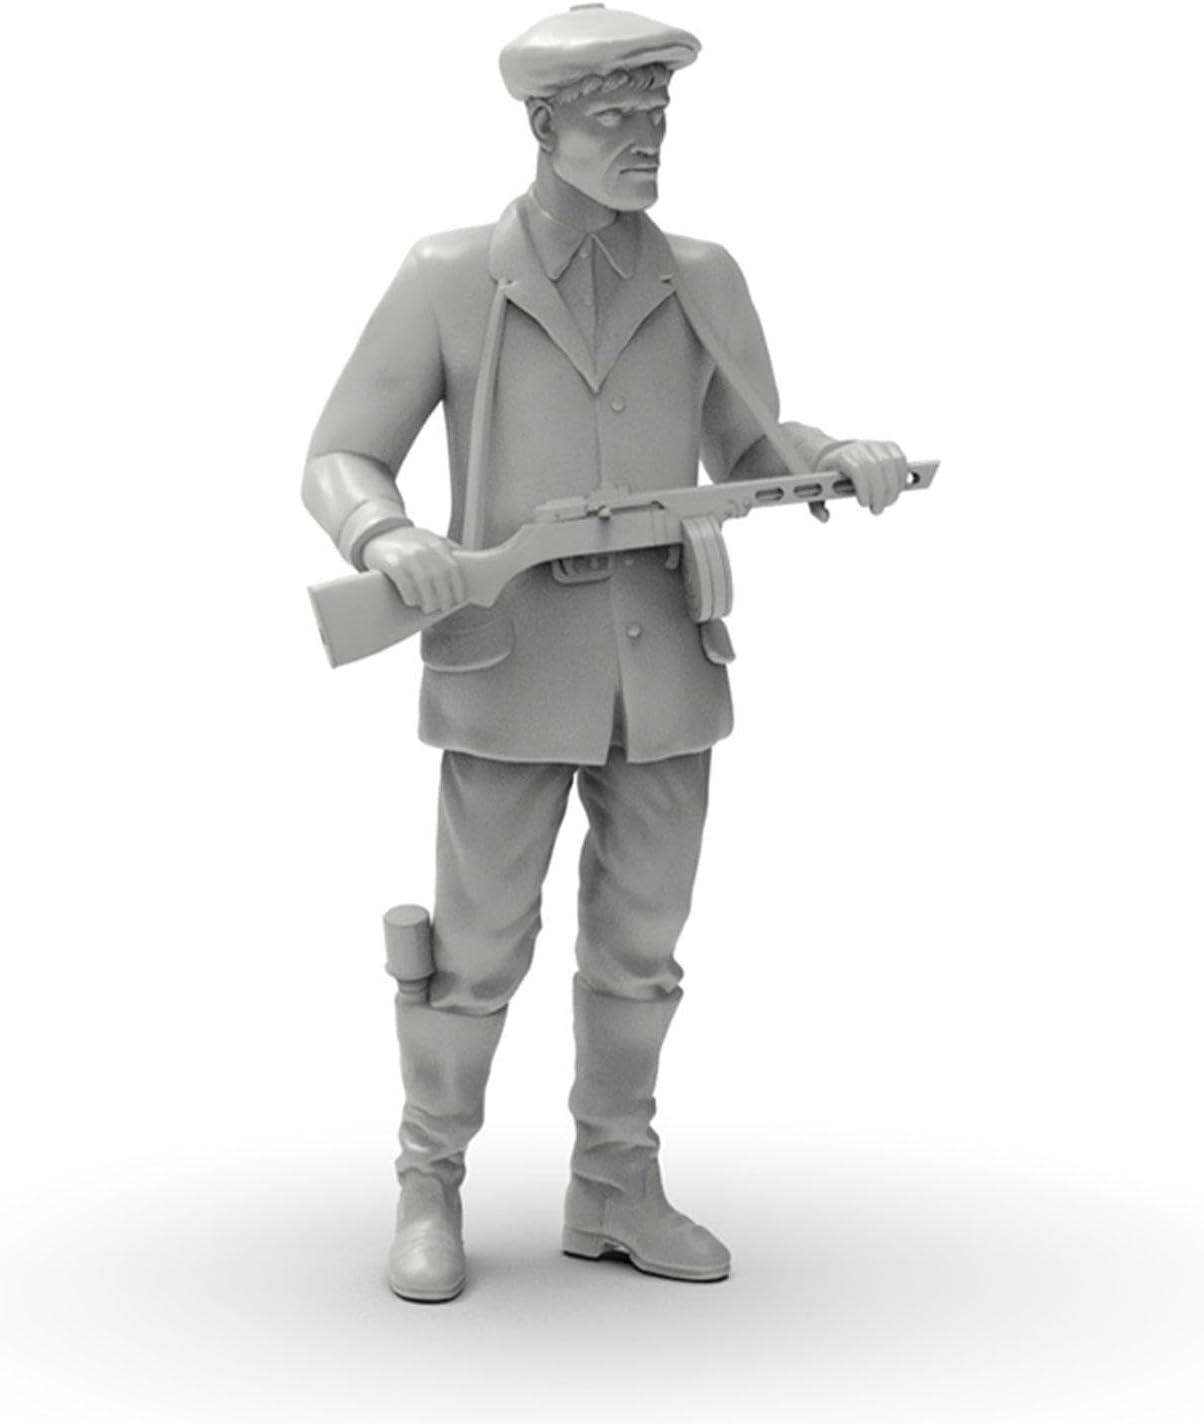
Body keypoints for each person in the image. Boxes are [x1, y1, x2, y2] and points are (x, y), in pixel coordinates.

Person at [302, 4, 909, 1302]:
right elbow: (341, 452)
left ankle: (616, 1184)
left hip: (667, 664)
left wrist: (838, 457)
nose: (646, 138)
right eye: (617, 115)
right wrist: (385, 533)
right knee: (474, 949)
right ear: (544, 122)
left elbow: (751, 447)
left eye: (658, 113)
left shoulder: (704, 274)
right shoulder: (449, 274)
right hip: (510, 659)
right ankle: (429, 1177)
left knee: (642, 950)